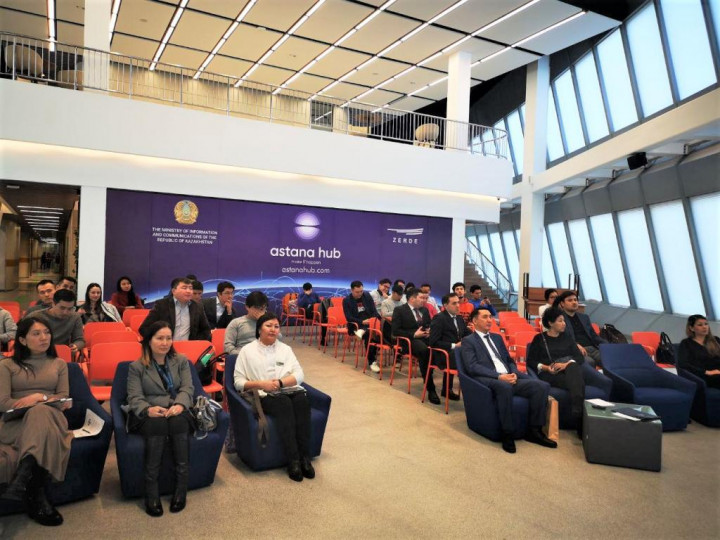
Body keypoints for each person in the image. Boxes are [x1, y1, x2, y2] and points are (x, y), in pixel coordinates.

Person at [0, 318, 72, 526]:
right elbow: (3, 403)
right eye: (36, 333)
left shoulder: (59, 364)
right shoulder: (6, 365)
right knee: (38, 413)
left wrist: (40, 398)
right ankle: (36, 493)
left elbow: (63, 397)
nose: (44, 338)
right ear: (22, 340)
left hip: (52, 419)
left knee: (40, 411)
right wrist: (31, 402)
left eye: (46, 332)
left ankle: (24, 479)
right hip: (16, 423)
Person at [461, 308, 556, 454]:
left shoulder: (497, 338)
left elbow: (509, 360)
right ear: (474, 321)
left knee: (541, 386)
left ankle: (534, 431)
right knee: (504, 387)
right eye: (485, 317)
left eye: (490, 317)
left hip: (508, 375)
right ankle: (507, 433)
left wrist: (513, 372)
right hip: (489, 378)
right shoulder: (468, 341)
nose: (489, 320)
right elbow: (472, 366)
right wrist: (499, 376)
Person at [234, 313, 314, 482]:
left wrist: (280, 382)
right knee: (284, 404)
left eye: (276, 326)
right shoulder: (247, 351)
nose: (273, 329)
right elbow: (238, 382)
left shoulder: (286, 349)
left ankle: (305, 458)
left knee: (302, 401)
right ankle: (293, 460)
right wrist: (262, 384)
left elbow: (299, 375)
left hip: (287, 388)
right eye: (268, 325)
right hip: (264, 394)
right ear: (259, 329)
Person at [127, 321, 194, 516]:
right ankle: (151, 493)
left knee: (178, 422)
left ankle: (181, 490)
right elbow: (134, 397)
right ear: (149, 341)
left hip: (176, 408)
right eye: (159, 338)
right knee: (157, 425)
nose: (165, 343)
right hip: (151, 412)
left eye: (168, 338)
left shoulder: (181, 361)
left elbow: (187, 388)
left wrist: (180, 405)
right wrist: (147, 409)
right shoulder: (136, 367)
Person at [527, 306, 586, 431]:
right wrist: (546, 367)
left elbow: (579, 357)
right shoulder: (539, 339)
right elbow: (531, 361)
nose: (564, 323)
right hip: (550, 373)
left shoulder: (567, 337)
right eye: (560, 321)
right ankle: (580, 415)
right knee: (578, 381)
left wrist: (566, 365)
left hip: (568, 371)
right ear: (550, 323)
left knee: (573, 367)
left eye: (564, 320)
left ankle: (577, 410)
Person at [391, 289, 436, 403]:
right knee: (425, 351)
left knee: (439, 346)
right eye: (421, 298)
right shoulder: (400, 310)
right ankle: (430, 387)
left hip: (425, 337)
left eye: (425, 298)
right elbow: (395, 331)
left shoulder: (424, 310)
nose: (424, 300)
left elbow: (428, 324)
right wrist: (414, 334)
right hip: (410, 340)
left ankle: (443, 385)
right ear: (412, 299)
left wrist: (429, 330)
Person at [139, 278, 211, 342]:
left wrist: (194, 342)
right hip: (165, 347)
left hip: (188, 347)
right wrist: (159, 340)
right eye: (184, 288)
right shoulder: (161, 305)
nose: (188, 291)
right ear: (174, 291)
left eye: (190, 288)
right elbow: (144, 328)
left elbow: (205, 330)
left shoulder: (197, 306)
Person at [429, 293, 471, 401]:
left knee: (474, 355)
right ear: (445, 305)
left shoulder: (459, 318)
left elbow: (466, 333)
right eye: (454, 303)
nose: (458, 305)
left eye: (458, 303)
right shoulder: (439, 318)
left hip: (455, 352)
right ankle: (471, 393)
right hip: (442, 353)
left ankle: (447, 390)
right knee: (470, 362)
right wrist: (454, 345)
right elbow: (433, 342)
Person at [26, 289, 85, 355]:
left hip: (61, 353)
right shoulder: (35, 317)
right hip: (38, 353)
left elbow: (79, 340)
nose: (65, 312)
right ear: (53, 304)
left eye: (70, 309)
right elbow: (23, 339)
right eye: (62, 308)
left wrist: (76, 346)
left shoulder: (75, 317)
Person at [554, 291, 604, 367]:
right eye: (570, 300)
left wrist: (608, 345)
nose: (574, 302)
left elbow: (594, 336)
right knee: (590, 362)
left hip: (592, 348)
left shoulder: (584, 317)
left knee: (608, 359)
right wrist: (575, 345)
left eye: (575, 300)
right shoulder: (559, 319)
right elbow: (560, 338)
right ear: (562, 304)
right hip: (575, 350)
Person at [342, 281, 379, 372]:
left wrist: (372, 319)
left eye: (361, 291)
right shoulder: (346, 300)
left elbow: (374, 311)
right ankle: (372, 361)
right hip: (355, 325)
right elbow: (349, 318)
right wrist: (362, 322)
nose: (360, 294)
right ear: (351, 290)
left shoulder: (367, 296)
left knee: (380, 329)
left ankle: (363, 331)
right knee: (370, 334)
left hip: (370, 323)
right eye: (357, 292)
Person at [678, 314, 720, 389]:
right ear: (691, 328)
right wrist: (707, 372)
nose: (704, 327)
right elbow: (683, 364)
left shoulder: (715, 340)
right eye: (700, 325)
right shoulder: (686, 344)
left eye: (706, 324)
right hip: (703, 375)